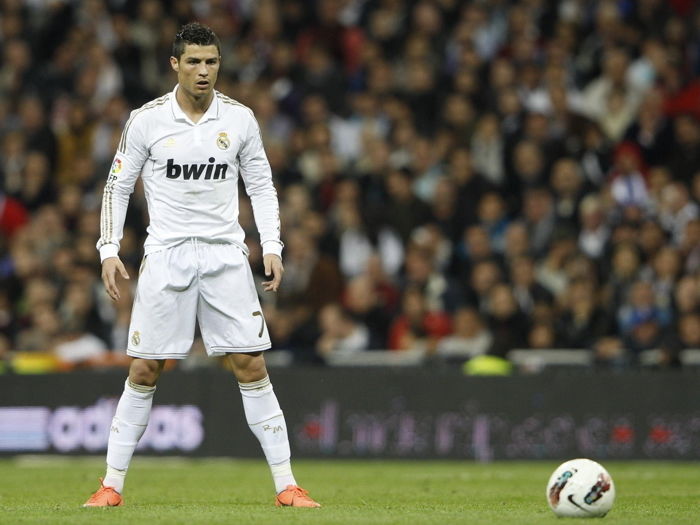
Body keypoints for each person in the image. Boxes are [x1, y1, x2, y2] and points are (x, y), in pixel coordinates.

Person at [83, 23, 319, 508]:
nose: (203, 71)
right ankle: (110, 486)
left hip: (224, 256)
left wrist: (271, 244)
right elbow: (117, 187)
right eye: (193, 61)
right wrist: (109, 249)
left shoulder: (241, 119)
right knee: (145, 368)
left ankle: (287, 486)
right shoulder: (146, 120)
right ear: (175, 65)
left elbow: (261, 185)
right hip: (166, 256)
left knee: (251, 364)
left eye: (211, 61)